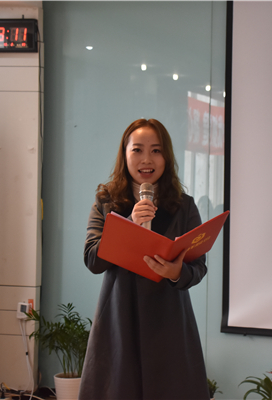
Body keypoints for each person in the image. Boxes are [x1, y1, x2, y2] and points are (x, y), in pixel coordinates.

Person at [79, 119, 210, 400]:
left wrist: (176, 272)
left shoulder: (184, 205)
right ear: (125, 155)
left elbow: (199, 267)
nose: (146, 159)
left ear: (167, 157)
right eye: (137, 150)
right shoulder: (106, 201)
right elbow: (92, 259)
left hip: (169, 321)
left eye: (156, 151)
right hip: (119, 319)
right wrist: (128, 224)